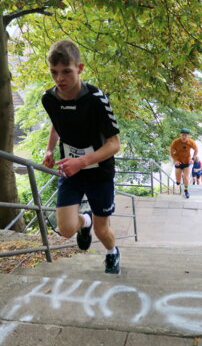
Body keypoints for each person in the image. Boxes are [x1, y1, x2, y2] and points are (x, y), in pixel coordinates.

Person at [42, 40, 121, 274]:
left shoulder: (96, 99)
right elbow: (56, 126)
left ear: (80, 68)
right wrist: (49, 150)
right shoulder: (49, 99)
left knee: (102, 230)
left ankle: (112, 253)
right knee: (65, 228)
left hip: (99, 173)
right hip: (70, 171)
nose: (59, 79)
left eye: (66, 71)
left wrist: (82, 162)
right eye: (54, 73)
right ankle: (84, 221)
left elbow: (114, 144)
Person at [170, 128, 198, 198]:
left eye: (185, 135)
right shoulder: (176, 142)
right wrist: (175, 160)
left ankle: (186, 190)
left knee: (186, 177)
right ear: (180, 135)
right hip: (178, 162)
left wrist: (193, 158)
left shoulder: (191, 142)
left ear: (188, 135)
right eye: (182, 135)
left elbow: (196, 150)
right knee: (178, 181)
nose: (184, 137)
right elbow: (171, 151)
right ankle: (178, 182)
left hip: (187, 161)